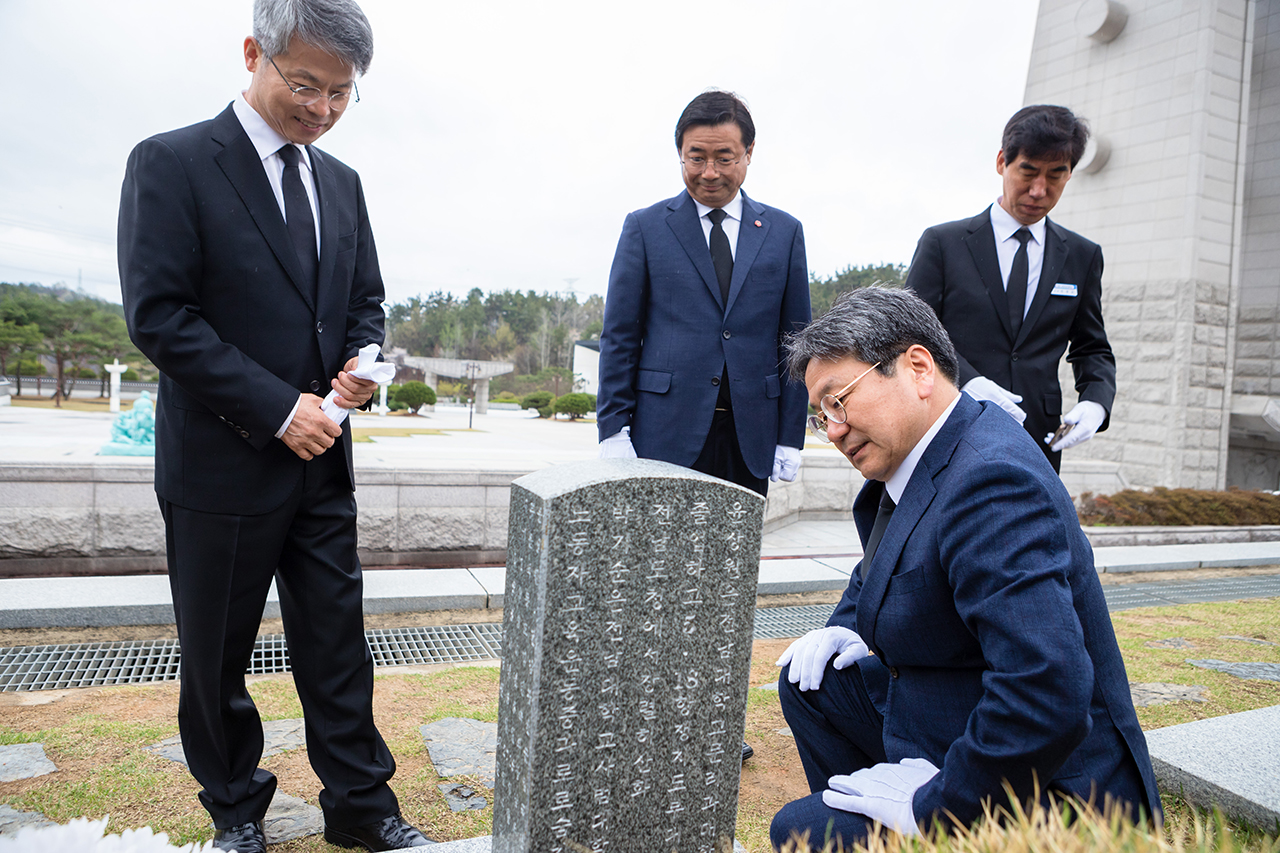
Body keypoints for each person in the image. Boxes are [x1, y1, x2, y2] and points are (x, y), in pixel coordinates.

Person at [117, 1, 429, 850]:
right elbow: (160, 316)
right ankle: (235, 810)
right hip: (222, 464)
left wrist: (362, 367)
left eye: (340, 94)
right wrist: (274, 406)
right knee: (217, 656)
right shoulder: (172, 162)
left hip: (323, 456)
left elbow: (364, 301)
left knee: (338, 642)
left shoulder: (342, 182)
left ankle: (363, 807)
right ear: (254, 52)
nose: (321, 109)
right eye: (305, 85)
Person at [769, 287, 1159, 850]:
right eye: (820, 414)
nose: (832, 429)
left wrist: (932, 806)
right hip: (953, 707)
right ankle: (868, 801)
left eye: (839, 401)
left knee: (801, 829)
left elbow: (1046, 690)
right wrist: (844, 626)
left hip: (1059, 790)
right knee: (812, 680)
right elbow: (886, 568)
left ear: (918, 368)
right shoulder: (920, 457)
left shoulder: (991, 481)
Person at [596, 90, 811, 498]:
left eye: (724, 158)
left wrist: (790, 434)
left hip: (751, 437)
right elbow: (619, 338)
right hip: (662, 433)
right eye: (696, 157)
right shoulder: (645, 228)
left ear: (749, 153)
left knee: (735, 559)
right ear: (680, 153)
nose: (709, 172)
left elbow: (796, 343)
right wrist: (612, 429)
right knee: (660, 558)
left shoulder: (785, 233)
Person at [905, 104, 1116, 472]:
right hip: (950, 421)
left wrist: (1096, 403)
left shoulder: (1082, 256)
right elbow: (910, 333)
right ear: (1002, 162)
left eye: (1056, 175)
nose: (1039, 190)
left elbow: (1091, 347)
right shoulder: (944, 243)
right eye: (1029, 171)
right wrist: (967, 382)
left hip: (1037, 437)